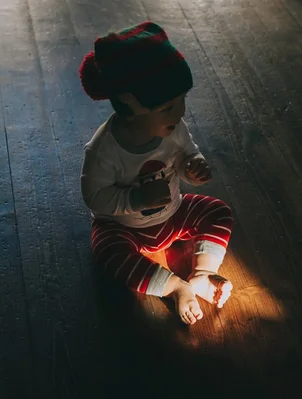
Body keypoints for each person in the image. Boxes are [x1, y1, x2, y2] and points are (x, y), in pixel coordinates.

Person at [78, 21, 234, 325]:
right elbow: (94, 197)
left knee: (218, 211)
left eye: (182, 100)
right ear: (130, 103)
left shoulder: (173, 128)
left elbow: (186, 151)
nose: (180, 113)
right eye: (167, 107)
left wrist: (193, 164)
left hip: (173, 215)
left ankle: (202, 273)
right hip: (125, 228)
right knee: (107, 251)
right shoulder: (103, 150)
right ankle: (173, 287)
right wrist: (136, 198)